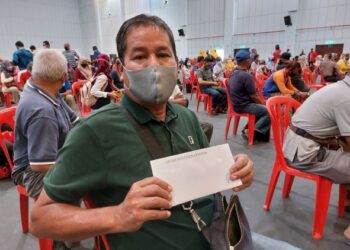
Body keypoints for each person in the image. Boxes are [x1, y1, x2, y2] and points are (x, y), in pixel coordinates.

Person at [30, 14, 254, 250]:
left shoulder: (186, 117)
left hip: (219, 238)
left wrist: (236, 169)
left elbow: (207, 176)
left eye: (163, 54)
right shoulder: (94, 132)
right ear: (121, 69)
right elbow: (41, 219)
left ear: (176, 62)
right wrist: (117, 216)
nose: (154, 65)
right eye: (139, 56)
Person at [282, 73, 350, 246]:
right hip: (305, 153)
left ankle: (348, 198)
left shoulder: (338, 88)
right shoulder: (346, 98)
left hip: (301, 144)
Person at [12, 48, 78, 198]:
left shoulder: (45, 89)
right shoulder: (42, 112)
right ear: (64, 77)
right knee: (89, 174)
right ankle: (70, 217)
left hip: (52, 154)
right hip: (32, 174)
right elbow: (40, 164)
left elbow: (76, 122)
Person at [229, 50, 270, 142]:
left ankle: (247, 129)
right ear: (247, 61)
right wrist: (264, 105)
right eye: (250, 59)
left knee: (260, 110)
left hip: (235, 104)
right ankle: (252, 131)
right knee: (268, 111)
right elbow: (254, 96)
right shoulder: (246, 76)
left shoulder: (233, 73)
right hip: (243, 105)